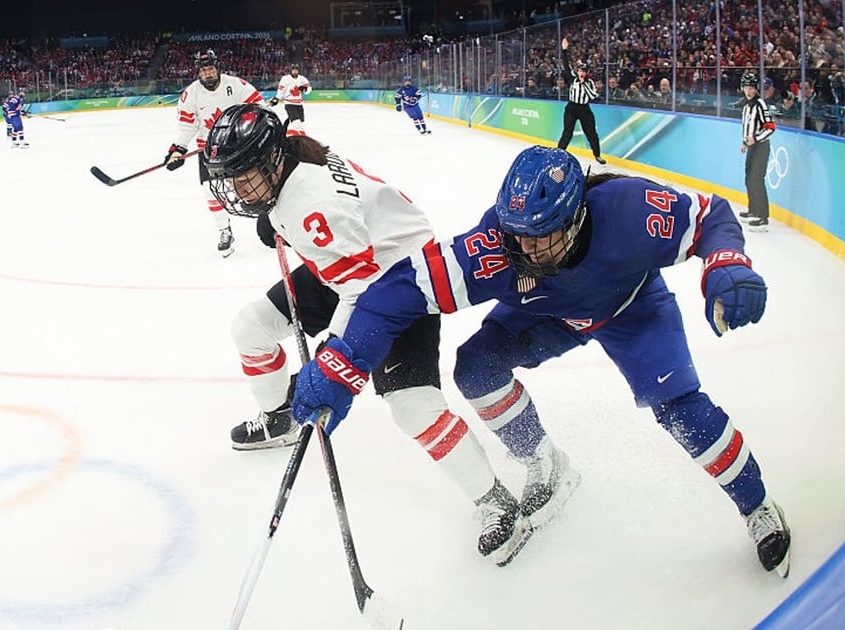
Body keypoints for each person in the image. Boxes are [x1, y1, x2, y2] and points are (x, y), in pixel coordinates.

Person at [290, 146, 792, 578]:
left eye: (540, 235)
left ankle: (758, 506)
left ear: (575, 218)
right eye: (517, 233)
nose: (524, 248)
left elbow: (711, 218)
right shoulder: (495, 246)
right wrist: (343, 362)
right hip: (549, 311)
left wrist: (727, 262)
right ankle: (544, 462)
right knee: (476, 367)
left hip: (631, 309)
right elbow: (394, 294)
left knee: (684, 412)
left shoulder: (631, 209)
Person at [203, 103, 531, 565]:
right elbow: (344, 263)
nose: (235, 190)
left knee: (413, 408)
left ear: (273, 160)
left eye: (244, 177)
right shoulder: (294, 162)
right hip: (353, 262)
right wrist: (270, 211)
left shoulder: (310, 206)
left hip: (403, 277)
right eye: (230, 178)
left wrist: (331, 358)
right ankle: (280, 417)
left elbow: (360, 297)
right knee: (251, 327)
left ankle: (496, 501)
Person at [163, 49, 265, 257]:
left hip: (238, 146)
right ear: (198, 73)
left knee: (258, 185)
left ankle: (271, 223)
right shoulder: (190, 94)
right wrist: (177, 150)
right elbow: (187, 128)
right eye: (203, 70)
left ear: (217, 68)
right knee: (211, 192)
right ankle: (224, 230)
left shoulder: (236, 85)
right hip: (210, 151)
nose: (207, 73)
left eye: (210, 69)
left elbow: (258, 107)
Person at [556, 37, 605, 164]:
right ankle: (558, 153)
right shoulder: (572, 79)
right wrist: (564, 50)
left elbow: (592, 95)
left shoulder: (590, 83)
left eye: (584, 71)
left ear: (587, 73)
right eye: (580, 70)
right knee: (567, 132)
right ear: (577, 71)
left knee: (591, 133)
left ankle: (597, 154)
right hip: (572, 108)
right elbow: (565, 65)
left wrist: (584, 84)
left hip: (584, 108)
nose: (582, 73)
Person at [737, 71, 775, 232]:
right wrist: (745, 142)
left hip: (761, 147)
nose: (749, 91)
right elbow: (747, 127)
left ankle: (763, 217)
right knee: (749, 178)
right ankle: (753, 209)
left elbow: (771, 127)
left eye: (752, 88)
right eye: (746, 87)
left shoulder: (760, 104)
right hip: (752, 146)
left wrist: (756, 139)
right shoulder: (746, 106)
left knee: (757, 179)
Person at [269, 63, 311, 136]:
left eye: (296, 70)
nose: (295, 72)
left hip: (299, 104)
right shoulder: (285, 79)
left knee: (300, 122)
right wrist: (276, 98)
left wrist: (305, 89)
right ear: (290, 70)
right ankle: (299, 137)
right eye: (293, 70)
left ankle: (292, 135)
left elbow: (309, 89)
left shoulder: (302, 79)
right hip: (289, 104)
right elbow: (281, 90)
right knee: (296, 122)